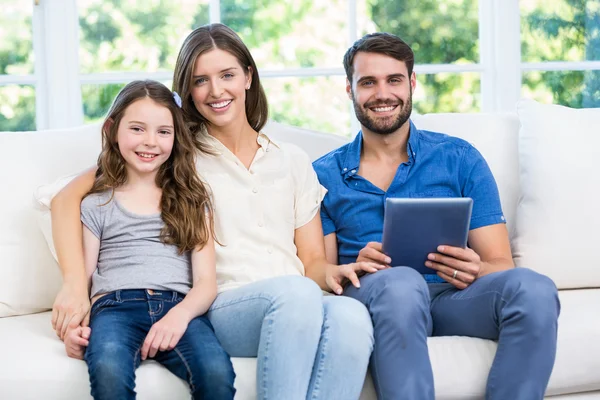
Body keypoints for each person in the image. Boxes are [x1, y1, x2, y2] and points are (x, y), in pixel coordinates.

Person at [51, 24, 377, 400]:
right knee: (296, 294)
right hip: (227, 303)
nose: (216, 90)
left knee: (352, 317)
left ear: (248, 77)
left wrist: (334, 272)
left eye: (227, 75)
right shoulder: (174, 153)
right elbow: (65, 199)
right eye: (200, 80)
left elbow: (313, 263)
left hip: (297, 298)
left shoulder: (292, 160)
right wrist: (76, 285)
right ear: (187, 91)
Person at [313, 32, 561, 400]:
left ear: (411, 84)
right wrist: (351, 270)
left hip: (452, 298)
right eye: (368, 82)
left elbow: (501, 264)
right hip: (377, 297)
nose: (382, 94)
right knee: (401, 285)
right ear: (350, 90)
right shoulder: (323, 175)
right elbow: (321, 271)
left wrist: (475, 269)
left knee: (535, 289)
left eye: (394, 80)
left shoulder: (459, 158)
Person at [61, 80, 235, 399]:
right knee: (109, 371)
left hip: (177, 305)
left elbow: (206, 283)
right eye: (137, 129)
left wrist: (178, 318)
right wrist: (77, 329)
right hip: (114, 307)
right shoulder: (96, 203)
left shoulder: (192, 199)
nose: (150, 142)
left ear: (175, 137)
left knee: (216, 372)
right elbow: (83, 283)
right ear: (113, 130)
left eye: (163, 132)